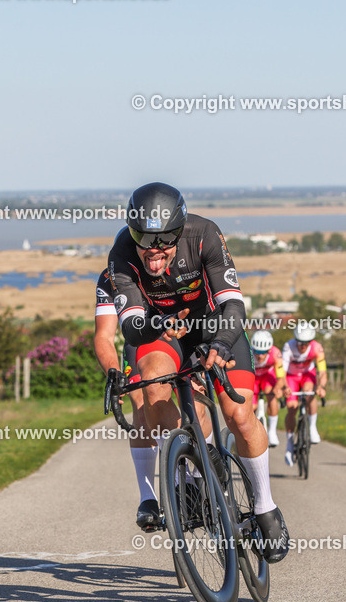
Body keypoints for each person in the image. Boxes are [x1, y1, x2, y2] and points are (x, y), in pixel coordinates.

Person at [108, 182, 289, 563]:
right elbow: (129, 328)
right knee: (153, 384)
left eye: (164, 242)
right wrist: (157, 322)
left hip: (214, 328)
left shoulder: (204, 234)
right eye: (144, 239)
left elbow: (234, 308)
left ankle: (264, 505)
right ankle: (189, 469)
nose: (153, 253)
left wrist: (222, 344)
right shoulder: (123, 251)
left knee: (239, 415)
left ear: (180, 230)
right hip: (163, 330)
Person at [93, 267, 159, 529]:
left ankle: (195, 478)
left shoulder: (163, 261)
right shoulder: (110, 276)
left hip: (183, 332)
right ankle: (148, 499)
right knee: (141, 406)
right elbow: (104, 335)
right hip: (141, 340)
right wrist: (114, 373)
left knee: (198, 398)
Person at [282, 323, 327, 466]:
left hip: (308, 374)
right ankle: (289, 444)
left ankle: (312, 427)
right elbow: (281, 372)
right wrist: (284, 387)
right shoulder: (288, 347)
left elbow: (322, 371)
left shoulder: (317, 348)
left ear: (311, 341)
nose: (303, 346)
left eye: (306, 343)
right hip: (291, 376)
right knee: (292, 406)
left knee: (310, 392)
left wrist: (321, 386)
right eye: (300, 342)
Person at [250, 330, 286, 447]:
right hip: (253, 377)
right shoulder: (247, 352)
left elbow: (281, 377)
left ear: (269, 350)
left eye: (263, 352)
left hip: (267, 376)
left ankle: (272, 432)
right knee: (252, 406)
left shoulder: (276, 353)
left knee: (271, 395)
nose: (260, 355)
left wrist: (278, 388)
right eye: (257, 352)